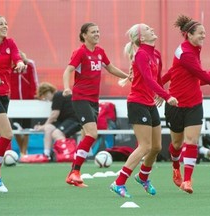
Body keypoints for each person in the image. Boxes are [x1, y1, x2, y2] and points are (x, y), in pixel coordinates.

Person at [161, 15, 210, 194]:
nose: (203, 36)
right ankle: (176, 167)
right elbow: (201, 74)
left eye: (204, 33)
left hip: (194, 103)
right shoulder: (185, 52)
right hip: (175, 103)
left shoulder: (193, 48)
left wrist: (159, 83)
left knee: (191, 141)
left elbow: (172, 71)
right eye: (200, 33)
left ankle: (188, 180)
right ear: (189, 35)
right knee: (176, 144)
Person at [110, 23, 178, 198]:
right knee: (145, 146)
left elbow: (158, 78)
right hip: (137, 103)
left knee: (156, 147)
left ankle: (143, 176)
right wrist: (167, 95)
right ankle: (118, 183)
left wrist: (161, 94)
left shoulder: (155, 53)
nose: (151, 29)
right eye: (147, 29)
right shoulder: (141, 54)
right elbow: (148, 79)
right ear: (141, 38)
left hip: (149, 103)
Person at [63, 22, 130, 187]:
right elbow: (68, 70)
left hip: (94, 99)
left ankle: (73, 173)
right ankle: (75, 172)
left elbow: (110, 67)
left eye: (98, 31)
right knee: (92, 134)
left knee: (88, 135)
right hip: (81, 98)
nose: (97, 34)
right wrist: (66, 88)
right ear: (84, 35)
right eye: (93, 32)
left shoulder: (100, 52)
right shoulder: (80, 52)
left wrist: (128, 77)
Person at [0, 13, 26, 192]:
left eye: (6, 23)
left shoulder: (10, 43)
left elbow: (16, 57)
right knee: (7, 134)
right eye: (1, 24)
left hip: (3, 95)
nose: (5, 26)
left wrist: (20, 64)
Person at [28, 82, 81, 161]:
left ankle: (66, 154)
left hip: (75, 120)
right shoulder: (58, 97)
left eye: (45, 96)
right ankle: (47, 154)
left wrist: (42, 126)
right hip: (65, 120)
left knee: (57, 133)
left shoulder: (57, 95)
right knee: (48, 128)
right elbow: (55, 117)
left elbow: (54, 115)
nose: (45, 99)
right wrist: (45, 126)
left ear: (48, 92)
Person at [10, 51, 39, 157]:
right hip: (14, 102)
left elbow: (34, 80)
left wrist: (35, 94)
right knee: (15, 127)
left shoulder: (30, 64)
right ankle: (23, 151)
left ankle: (23, 152)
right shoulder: (10, 66)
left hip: (28, 101)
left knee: (26, 127)